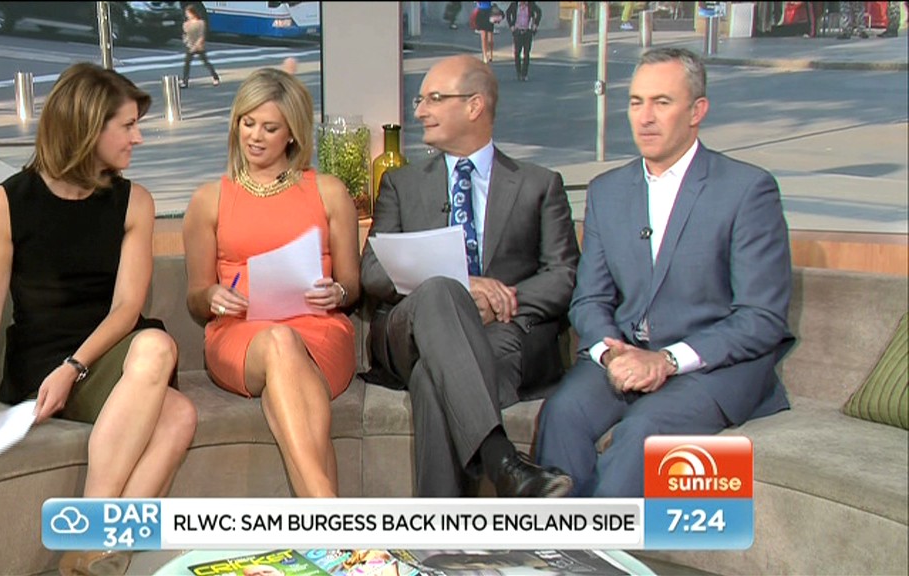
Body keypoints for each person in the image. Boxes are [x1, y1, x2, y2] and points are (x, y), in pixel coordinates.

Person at [0, 62, 197, 576]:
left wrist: (76, 366)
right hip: (40, 362)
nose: (138, 138)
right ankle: (96, 554)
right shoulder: (8, 202)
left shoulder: (134, 202)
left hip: (110, 354)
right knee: (177, 412)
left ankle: (89, 550)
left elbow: (126, 309)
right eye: (128, 126)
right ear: (88, 127)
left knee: (161, 360)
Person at [536, 47, 794, 497]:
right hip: (626, 357)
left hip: (711, 367)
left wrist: (668, 360)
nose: (645, 118)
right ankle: (557, 541)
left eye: (662, 102)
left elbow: (761, 317)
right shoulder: (607, 191)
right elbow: (591, 300)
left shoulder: (747, 190)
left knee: (645, 431)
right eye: (636, 102)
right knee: (562, 413)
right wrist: (612, 354)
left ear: (697, 111)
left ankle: (603, 543)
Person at [360, 55, 580, 498]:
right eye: (420, 100)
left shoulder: (539, 184)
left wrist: (502, 300)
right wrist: (463, 287)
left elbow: (563, 275)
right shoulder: (402, 184)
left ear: (475, 105)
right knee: (442, 290)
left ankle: (447, 531)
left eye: (434, 99)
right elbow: (372, 270)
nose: (420, 111)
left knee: (432, 381)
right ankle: (502, 460)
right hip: (410, 331)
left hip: (502, 333)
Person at [182, 67, 359, 498]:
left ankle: (325, 513)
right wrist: (213, 296)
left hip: (319, 333)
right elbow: (195, 298)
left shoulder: (329, 192)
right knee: (279, 342)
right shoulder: (209, 199)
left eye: (270, 127)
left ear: (292, 134)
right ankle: (331, 511)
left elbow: (352, 286)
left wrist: (337, 291)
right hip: (240, 335)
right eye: (247, 123)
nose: (255, 137)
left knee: (288, 359)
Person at [180, 3, 220, 88]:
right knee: (187, 64)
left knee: (206, 62)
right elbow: (185, 34)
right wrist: (186, 42)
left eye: (188, 13)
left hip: (199, 47)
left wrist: (196, 46)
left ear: (193, 13)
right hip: (190, 46)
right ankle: (185, 81)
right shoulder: (186, 24)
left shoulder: (201, 23)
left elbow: (202, 36)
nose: (187, 15)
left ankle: (215, 77)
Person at [505, 1, 541, 81]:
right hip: (518, 31)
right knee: (517, 53)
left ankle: (524, 73)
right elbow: (508, 13)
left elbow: (539, 12)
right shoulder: (514, 4)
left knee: (526, 53)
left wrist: (535, 25)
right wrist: (511, 25)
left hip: (527, 31)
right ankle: (519, 72)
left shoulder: (531, 4)